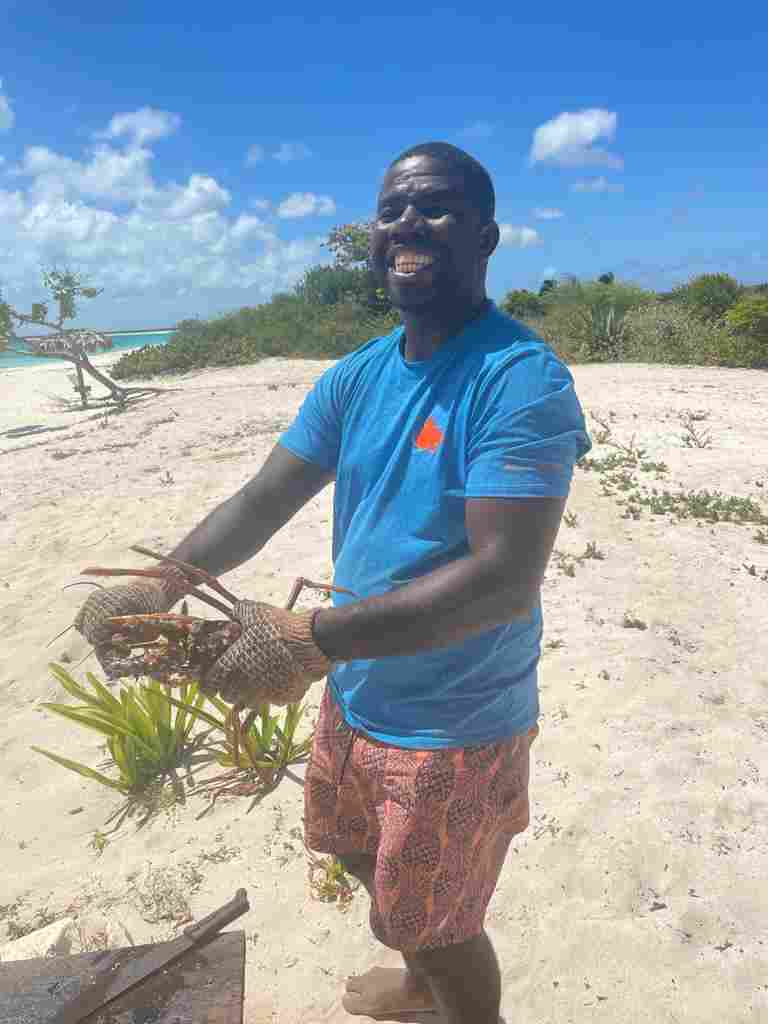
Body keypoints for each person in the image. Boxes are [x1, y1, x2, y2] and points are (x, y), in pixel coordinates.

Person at [76, 141, 592, 1024]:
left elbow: (504, 580)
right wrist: (160, 585)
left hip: (453, 720)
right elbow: (263, 498)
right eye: (392, 210)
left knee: (439, 921)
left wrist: (311, 638)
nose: (406, 226)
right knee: (362, 858)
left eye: (433, 208)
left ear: (486, 236)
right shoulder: (359, 374)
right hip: (355, 688)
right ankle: (421, 986)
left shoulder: (519, 381)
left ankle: (461, 1008)